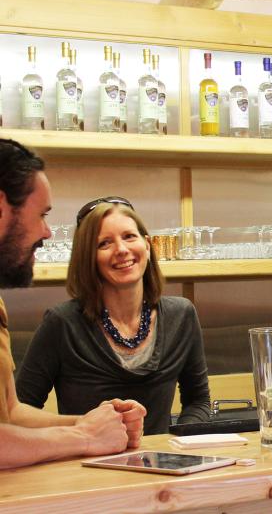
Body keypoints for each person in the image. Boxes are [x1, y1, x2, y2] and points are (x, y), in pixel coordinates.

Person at [0, 138, 143, 469]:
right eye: (41, 215)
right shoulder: (62, 321)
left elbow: (11, 414)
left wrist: (92, 424)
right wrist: (86, 438)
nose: (47, 232)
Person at [16, 197, 211, 435]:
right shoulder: (62, 323)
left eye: (129, 236)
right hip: (86, 466)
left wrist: (174, 445)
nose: (121, 250)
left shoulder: (182, 316)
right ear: (88, 259)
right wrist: (81, 428)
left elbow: (198, 401)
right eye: (104, 243)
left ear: (148, 246)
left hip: (161, 465)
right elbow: (19, 412)